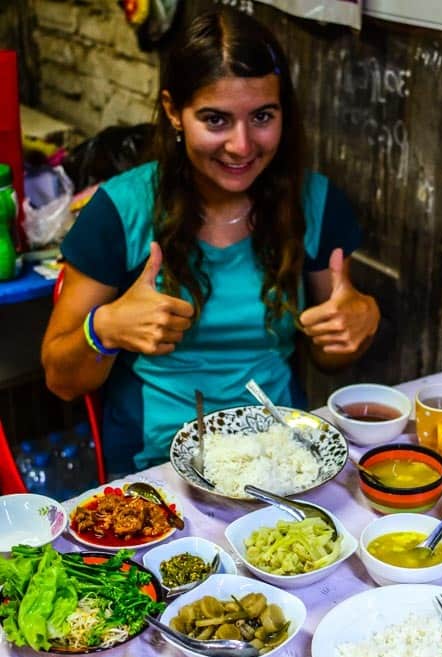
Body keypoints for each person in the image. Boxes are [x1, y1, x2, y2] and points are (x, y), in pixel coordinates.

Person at [41, 8, 380, 477]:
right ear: (172, 112)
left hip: (282, 458)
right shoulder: (119, 212)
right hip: (154, 467)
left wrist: (359, 319)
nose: (242, 146)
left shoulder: (315, 203)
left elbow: (330, 356)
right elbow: (60, 379)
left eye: (262, 116)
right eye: (215, 120)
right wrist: (107, 329)